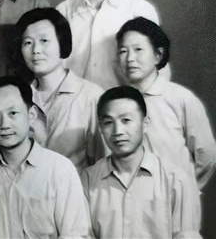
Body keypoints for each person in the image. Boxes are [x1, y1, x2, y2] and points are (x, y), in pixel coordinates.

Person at [0, 76, 92, 238]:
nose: (4, 124)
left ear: (31, 114)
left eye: (13, 113)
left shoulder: (59, 169)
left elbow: (76, 234)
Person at [82, 86, 201, 238]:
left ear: (145, 124)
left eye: (126, 120)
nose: (118, 131)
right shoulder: (88, 179)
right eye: (108, 122)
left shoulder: (175, 180)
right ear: (100, 128)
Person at [116, 17, 216, 190]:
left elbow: (207, 155)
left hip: (174, 196)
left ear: (158, 55)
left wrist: (186, 190)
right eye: (123, 51)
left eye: (138, 49)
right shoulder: (116, 103)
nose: (130, 58)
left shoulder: (180, 98)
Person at [13, 8, 106, 173]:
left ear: (62, 43)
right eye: (28, 43)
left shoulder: (91, 96)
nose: (36, 50)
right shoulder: (17, 97)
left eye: (44, 41)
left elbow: (103, 164)